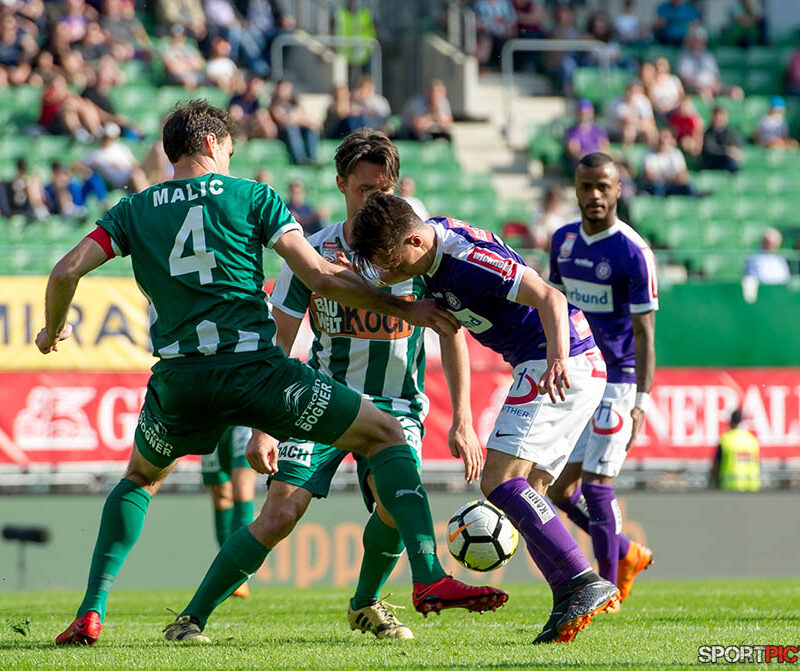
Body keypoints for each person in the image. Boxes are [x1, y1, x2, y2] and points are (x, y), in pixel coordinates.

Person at [43, 100, 503, 646]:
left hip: (181, 381)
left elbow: (65, 269)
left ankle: (92, 611)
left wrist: (52, 330)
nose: (232, 159)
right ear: (214, 144)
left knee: (140, 478)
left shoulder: (133, 209)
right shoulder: (253, 195)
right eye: (231, 150)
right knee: (383, 437)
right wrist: (403, 308)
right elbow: (316, 276)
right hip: (257, 372)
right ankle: (427, 580)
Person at [349, 193, 619, 644]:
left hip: (556, 360)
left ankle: (582, 580)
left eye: (388, 262)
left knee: (498, 480)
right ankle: (567, 597)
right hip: (564, 363)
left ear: (414, 241)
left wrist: (554, 360)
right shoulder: (428, 258)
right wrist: (463, 419)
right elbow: (450, 330)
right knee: (529, 494)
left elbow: (550, 297)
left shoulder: (468, 260)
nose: (386, 273)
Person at [249, 128, 482, 640]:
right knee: (279, 514)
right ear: (340, 185)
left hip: (397, 405)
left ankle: (366, 604)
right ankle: (191, 618)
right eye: (364, 190)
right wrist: (263, 426)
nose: (375, 199)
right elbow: (280, 339)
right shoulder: (311, 253)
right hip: (325, 400)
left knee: (394, 504)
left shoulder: (419, 253)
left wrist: (463, 418)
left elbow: (451, 332)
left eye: (384, 191)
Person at [547, 152, 657, 607]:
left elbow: (645, 332)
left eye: (603, 187)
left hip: (619, 381)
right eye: (586, 186)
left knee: (596, 486)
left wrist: (641, 402)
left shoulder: (633, 251)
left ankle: (607, 589)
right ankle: (626, 552)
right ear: (576, 188)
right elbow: (555, 304)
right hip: (578, 375)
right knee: (555, 489)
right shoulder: (562, 241)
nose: (594, 195)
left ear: (617, 190)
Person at [201, 427, 256, 599]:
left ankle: (239, 571)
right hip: (213, 420)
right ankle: (230, 572)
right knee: (221, 495)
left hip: (244, 418)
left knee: (242, 488)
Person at [270, 79, 321, 165]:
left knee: (311, 130)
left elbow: (309, 120)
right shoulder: (275, 104)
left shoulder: (295, 103)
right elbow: (283, 121)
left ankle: (312, 158)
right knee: (292, 129)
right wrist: (297, 119)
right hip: (283, 133)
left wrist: (297, 120)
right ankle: (300, 159)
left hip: (298, 129)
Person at [709, 408, 760, 491]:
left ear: (730, 422)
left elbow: (716, 466)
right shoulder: (753, 440)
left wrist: (711, 482)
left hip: (730, 487)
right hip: (752, 488)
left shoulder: (725, 440)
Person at [640, 128, 696, 197]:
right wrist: (670, 178)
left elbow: (683, 175)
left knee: (689, 186)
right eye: (660, 137)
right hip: (657, 186)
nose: (663, 141)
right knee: (658, 186)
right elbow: (650, 175)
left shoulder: (675, 153)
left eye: (666, 137)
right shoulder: (649, 153)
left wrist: (670, 179)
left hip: (673, 184)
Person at [400, 78, 454, 143]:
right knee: (424, 137)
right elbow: (418, 126)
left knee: (447, 137)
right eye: (434, 93)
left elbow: (447, 124)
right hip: (408, 132)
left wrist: (437, 112)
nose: (436, 96)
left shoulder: (443, 101)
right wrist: (432, 115)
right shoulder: (417, 102)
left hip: (429, 131)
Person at [606, 80, 657, 147]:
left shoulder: (643, 100)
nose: (634, 94)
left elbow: (649, 121)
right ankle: (627, 153)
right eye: (632, 91)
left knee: (652, 132)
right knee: (629, 132)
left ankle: (651, 150)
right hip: (617, 129)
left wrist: (639, 124)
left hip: (637, 127)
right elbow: (625, 121)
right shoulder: (617, 103)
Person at [228, 75, 278, 140]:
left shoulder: (259, 102)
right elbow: (234, 116)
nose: (255, 87)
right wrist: (252, 117)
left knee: (267, 125)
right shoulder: (236, 99)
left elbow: (266, 121)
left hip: (254, 128)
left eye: (258, 84)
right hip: (241, 128)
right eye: (254, 83)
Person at [565, 99, 611, 169]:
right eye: (582, 112)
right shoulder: (572, 132)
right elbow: (574, 151)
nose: (584, 115)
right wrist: (591, 160)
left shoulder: (598, 130)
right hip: (583, 164)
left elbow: (605, 148)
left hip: (599, 162)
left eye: (587, 112)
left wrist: (599, 160)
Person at [700, 106, 743, 172]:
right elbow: (710, 149)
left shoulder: (730, 132)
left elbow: (736, 146)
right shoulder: (708, 132)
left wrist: (734, 151)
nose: (719, 119)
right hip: (712, 161)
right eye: (717, 117)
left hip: (726, 161)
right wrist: (727, 150)